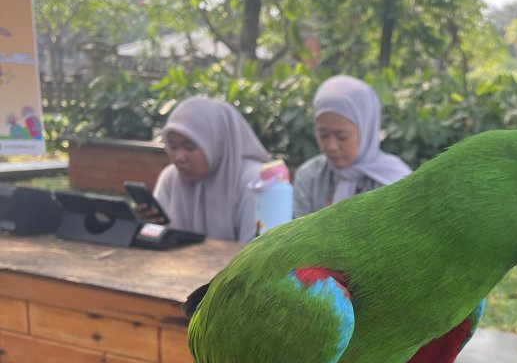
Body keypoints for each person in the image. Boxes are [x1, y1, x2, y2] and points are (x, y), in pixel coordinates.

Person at [141, 97, 270, 242]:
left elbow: (256, 254)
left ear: (217, 143)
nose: (179, 157)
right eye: (172, 147)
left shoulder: (257, 180)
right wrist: (149, 226)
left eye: (189, 147)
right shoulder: (171, 178)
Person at [293, 75, 411, 218]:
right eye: (323, 135)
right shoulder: (309, 177)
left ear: (366, 130)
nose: (331, 147)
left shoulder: (396, 183)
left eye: (342, 136)